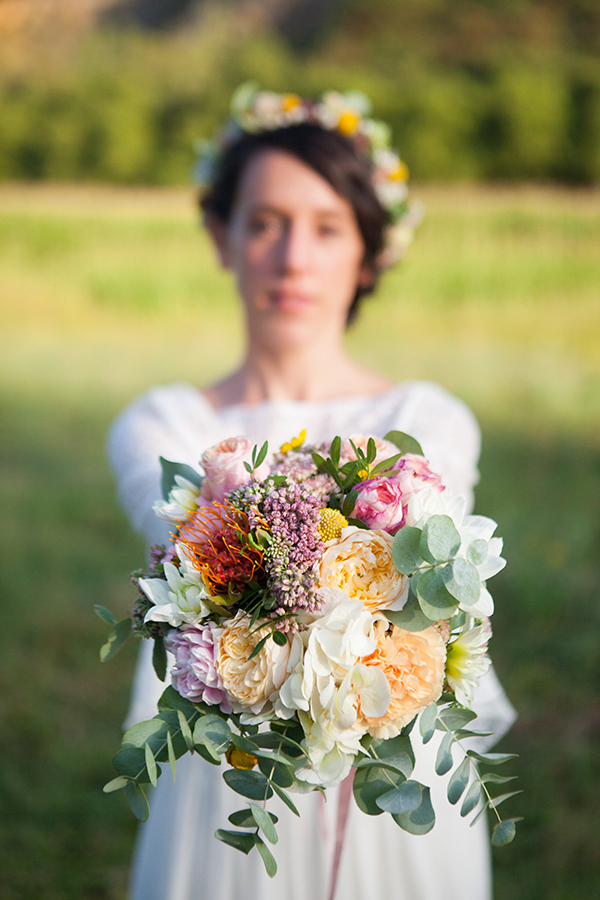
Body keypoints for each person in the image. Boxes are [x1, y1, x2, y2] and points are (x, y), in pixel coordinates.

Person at [107, 87, 516, 900]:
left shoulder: (428, 419)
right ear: (221, 236)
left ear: (369, 252)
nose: (294, 258)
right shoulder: (163, 423)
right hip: (230, 778)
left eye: (327, 228)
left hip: (391, 779)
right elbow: (187, 537)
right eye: (265, 222)